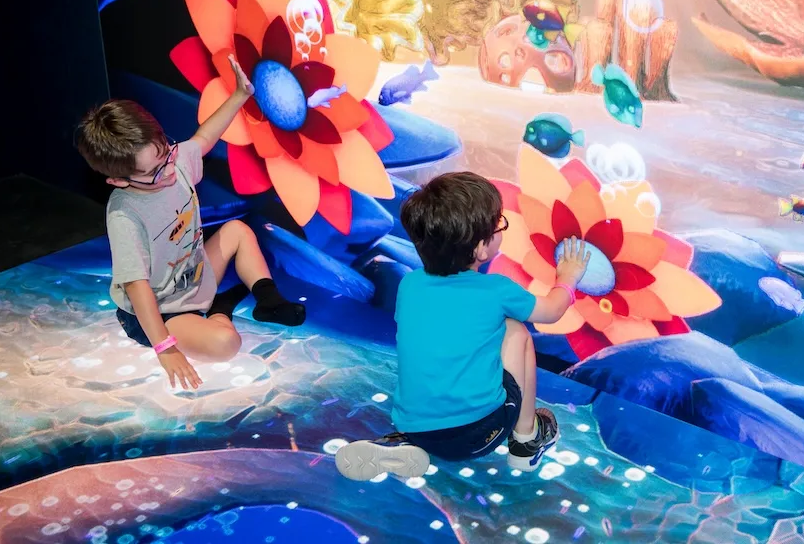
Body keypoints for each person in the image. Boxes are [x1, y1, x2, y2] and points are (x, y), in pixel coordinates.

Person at [336, 172, 589, 481]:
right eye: (499, 226)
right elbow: (551, 311)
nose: (501, 230)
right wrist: (569, 277)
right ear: (481, 250)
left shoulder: (411, 285)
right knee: (516, 331)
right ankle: (527, 439)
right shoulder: (496, 290)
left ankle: (403, 444)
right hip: (480, 433)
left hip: (416, 426)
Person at [74, 55, 306, 391]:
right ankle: (221, 307)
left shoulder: (171, 160)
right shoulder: (125, 214)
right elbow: (138, 288)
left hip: (193, 279)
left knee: (237, 231)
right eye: (152, 172)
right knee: (226, 344)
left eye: (166, 152)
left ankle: (268, 300)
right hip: (159, 310)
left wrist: (241, 95)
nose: (170, 169)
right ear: (119, 181)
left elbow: (204, 137)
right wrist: (165, 349)